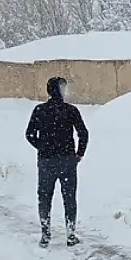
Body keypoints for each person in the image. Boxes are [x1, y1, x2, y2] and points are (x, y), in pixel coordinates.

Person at [25, 77, 89, 248]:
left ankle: (45, 234)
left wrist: (43, 148)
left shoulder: (40, 110)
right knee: (69, 198)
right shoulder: (71, 110)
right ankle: (71, 234)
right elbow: (83, 133)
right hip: (68, 161)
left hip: (46, 162)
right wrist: (79, 154)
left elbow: (29, 134)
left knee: (44, 197)